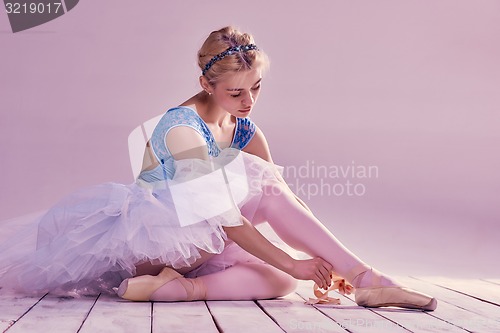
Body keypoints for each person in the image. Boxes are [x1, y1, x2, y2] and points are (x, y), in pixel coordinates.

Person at [0, 26, 436, 311]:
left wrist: (313, 263)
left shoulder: (243, 127)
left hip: (193, 251)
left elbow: (287, 200)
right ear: (206, 84)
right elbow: (227, 219)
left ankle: (179, 289)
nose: (248, 102)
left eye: (256, 89)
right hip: (147, 247)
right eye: (235, 92)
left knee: (281, 282)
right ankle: (367, 278)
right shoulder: (180, 128)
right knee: (269, 215)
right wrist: (297, 261)